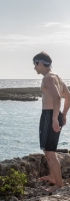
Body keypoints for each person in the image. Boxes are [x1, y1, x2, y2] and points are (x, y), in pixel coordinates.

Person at [33, 51, 70, 193]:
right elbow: (68, 96)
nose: (35, 68)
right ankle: (53, 176)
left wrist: (55, 118)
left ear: (40, 63)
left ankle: (59, 184)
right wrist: (64, 115)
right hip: (52, 115)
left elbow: (57, 98)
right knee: (47, 149)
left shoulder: (47, 78)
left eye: (35, 65)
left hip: (50, 115)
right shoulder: (58, 77)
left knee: (49, 152)